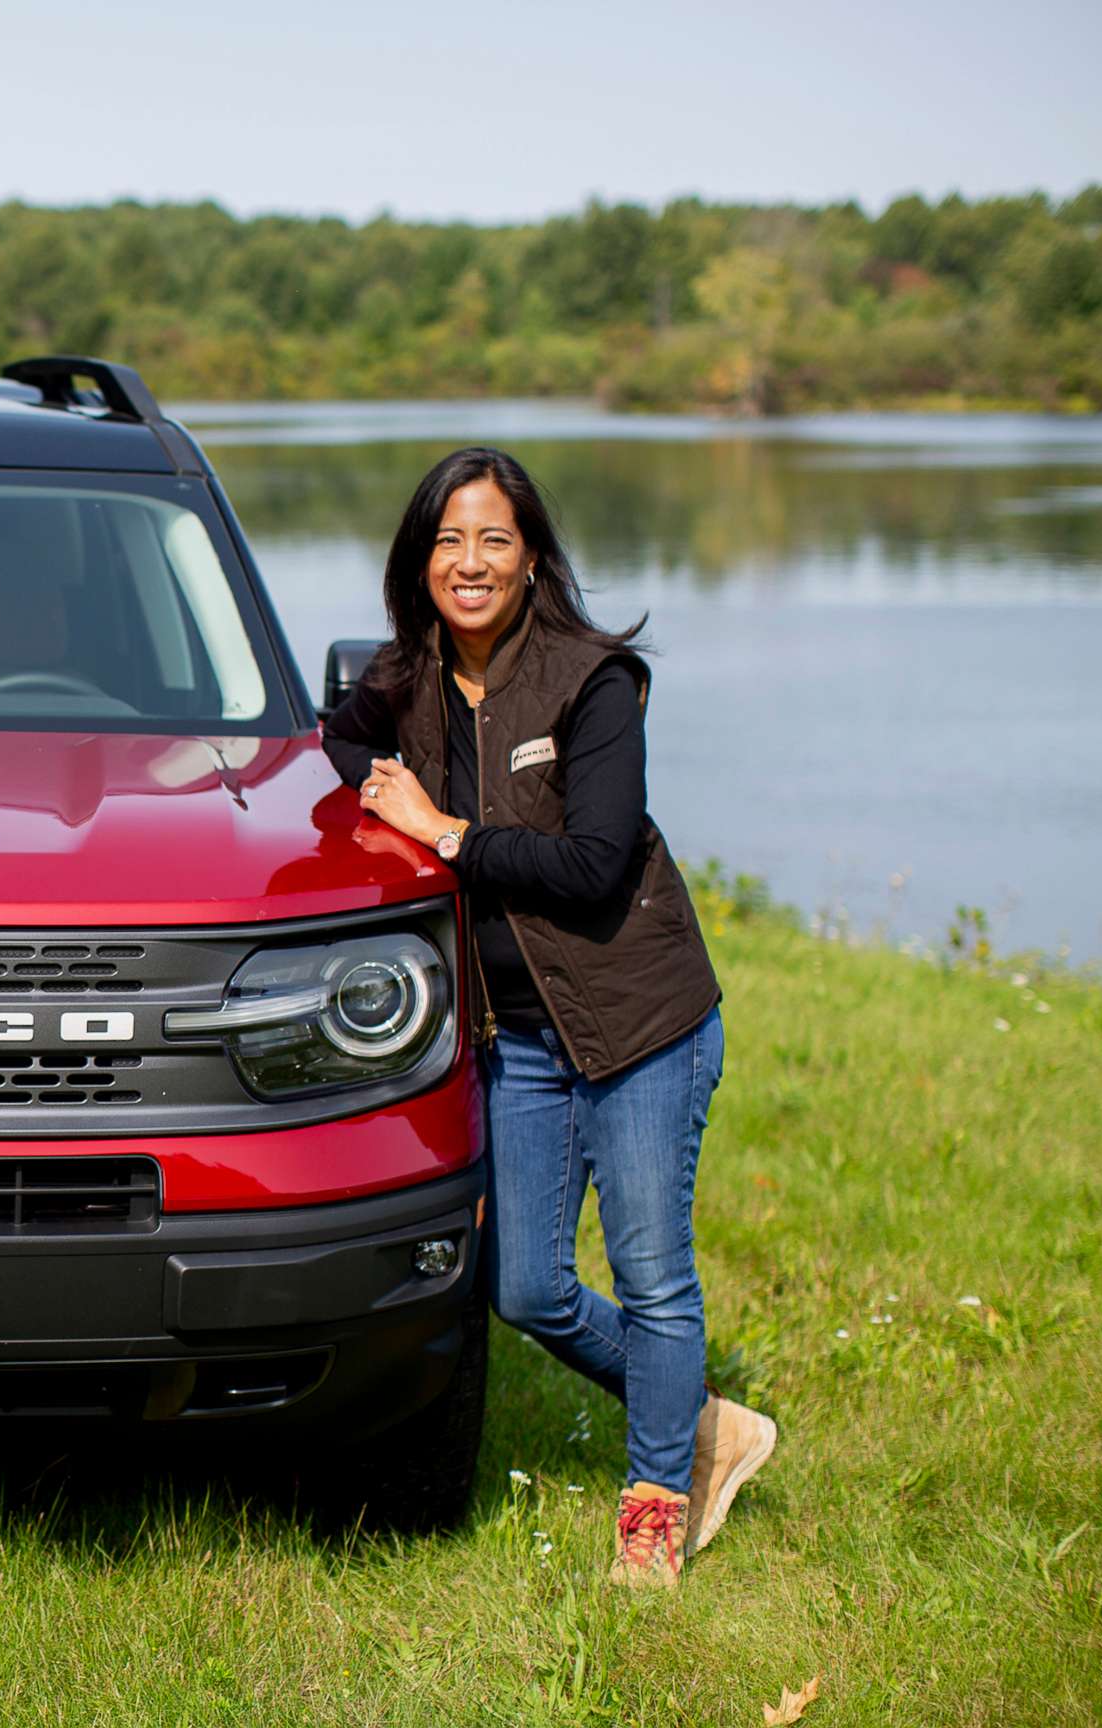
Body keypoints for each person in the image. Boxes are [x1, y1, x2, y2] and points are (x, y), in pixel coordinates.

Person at [321, 446, 776, 1586]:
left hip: (639, 1025)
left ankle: (656, 1506)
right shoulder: (403, 680)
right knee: (522, 1286)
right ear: (418, 559)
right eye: (448, 541)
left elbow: (593, 859)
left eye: (494, 541)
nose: (469, 563)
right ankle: (710, 1419)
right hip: (519, 1041)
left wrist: (446, 833)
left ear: (532, 561)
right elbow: (329, 747)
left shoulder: (591, 680)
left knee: (652, 1274)